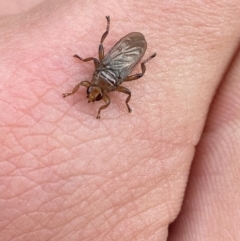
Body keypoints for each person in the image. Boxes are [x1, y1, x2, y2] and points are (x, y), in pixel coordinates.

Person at [0, 1, 239, 240]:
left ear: (104, 91)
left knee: (121, 63)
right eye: (93, 91)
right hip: (115, 67)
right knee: (102, 51)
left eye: (95, 93)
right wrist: (76, 93)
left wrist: (106, 108)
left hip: (116, 67)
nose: (93, 95)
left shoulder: (112, 91)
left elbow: (120, 92)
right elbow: (94, 74)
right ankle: (118, 36)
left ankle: (131, 48)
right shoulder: (98, 83)